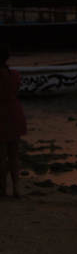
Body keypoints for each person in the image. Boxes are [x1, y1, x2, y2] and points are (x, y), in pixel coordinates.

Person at [0, 45, 28, 198]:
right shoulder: (15, 75)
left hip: (2, 113)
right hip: (14, 112)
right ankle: (16, 188)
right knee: (14, 155)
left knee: (1, 155)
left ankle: (3, 189)